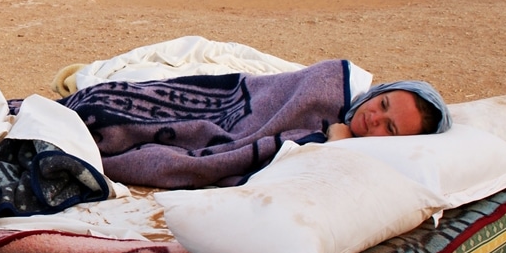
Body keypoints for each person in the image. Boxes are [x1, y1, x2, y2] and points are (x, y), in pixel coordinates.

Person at [57, 60, 451, 189]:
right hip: (224, 101)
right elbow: (265, 97)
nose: (374, 117)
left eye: (390, 129)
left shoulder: (358, 158)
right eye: (383, 104)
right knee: (103, 108)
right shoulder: (333, 83)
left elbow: (269, 158)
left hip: (220, 128)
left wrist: (333, 140)